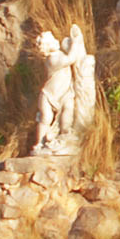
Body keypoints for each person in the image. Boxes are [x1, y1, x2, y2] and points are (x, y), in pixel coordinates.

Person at [31, 25, 81, 155]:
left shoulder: (57, 55)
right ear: (46, 48)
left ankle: (65, 133)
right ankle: (39, 144)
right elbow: (71, 58)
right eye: (52, 41)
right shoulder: (53, 59)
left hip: (63, 93)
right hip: (48, 96)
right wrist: (75, 42)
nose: (56, 41)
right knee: (45, 119)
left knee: (68, 110)